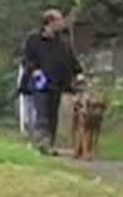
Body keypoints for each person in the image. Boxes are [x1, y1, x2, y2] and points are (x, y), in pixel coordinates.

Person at [23, 8, 82, 154]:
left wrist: (78, 73)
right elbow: (27, 58)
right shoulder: (34, 39)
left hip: (57, 83)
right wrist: (34, 69)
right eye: (59, 20)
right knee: (42, 112)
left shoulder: (63, 40)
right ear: (50, 22)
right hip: (40, 82)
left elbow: (71, 59)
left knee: (52, 113)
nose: (62, 23)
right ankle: (43, 142)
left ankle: (50, 143)